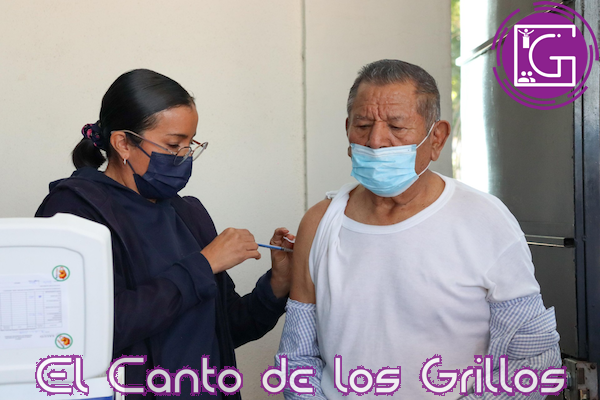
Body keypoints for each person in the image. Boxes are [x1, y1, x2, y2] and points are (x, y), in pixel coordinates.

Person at [276, 59, 561, 399]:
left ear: (436, 138)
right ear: (348, 130)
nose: (376, 141)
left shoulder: (484, 220)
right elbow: (297, 359)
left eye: (396, 126)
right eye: (363, 125)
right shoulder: (320, 222)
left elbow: (533, 359)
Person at [36, 69, 294, 400]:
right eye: (173, 145)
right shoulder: (74, 211)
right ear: (122, 143)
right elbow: (90, 332)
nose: (184, 156)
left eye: (190, 144)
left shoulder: (188, 213)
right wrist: (203, 265)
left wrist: (277, 284)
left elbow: (227, 328)